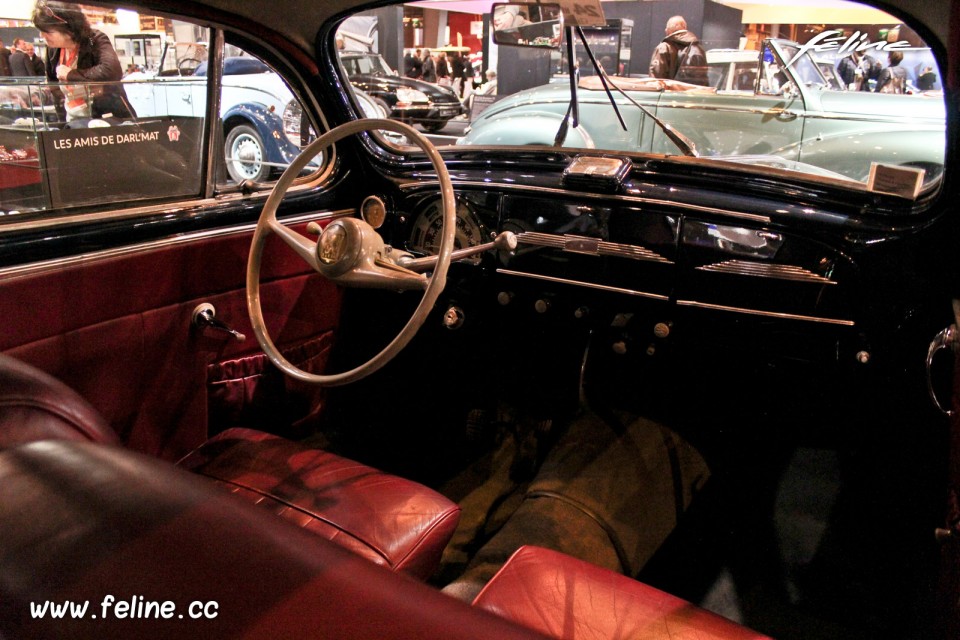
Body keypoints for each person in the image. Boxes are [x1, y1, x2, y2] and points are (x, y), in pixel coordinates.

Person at [32, 1, 135, 120]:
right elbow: (53, 85)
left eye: (46, 31)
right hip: (73, 120)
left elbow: (112, 70)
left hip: (105, 120)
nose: (41, 36)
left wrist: (71, 74)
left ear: (68, 28)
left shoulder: (93, 39)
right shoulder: (53, 49)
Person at [648, 15, 707, 86]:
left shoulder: (664, 48)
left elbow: (656, 81)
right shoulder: (699, 49)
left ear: (668, 31)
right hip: (695, 95)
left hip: (671, 95)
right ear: (685, 27)